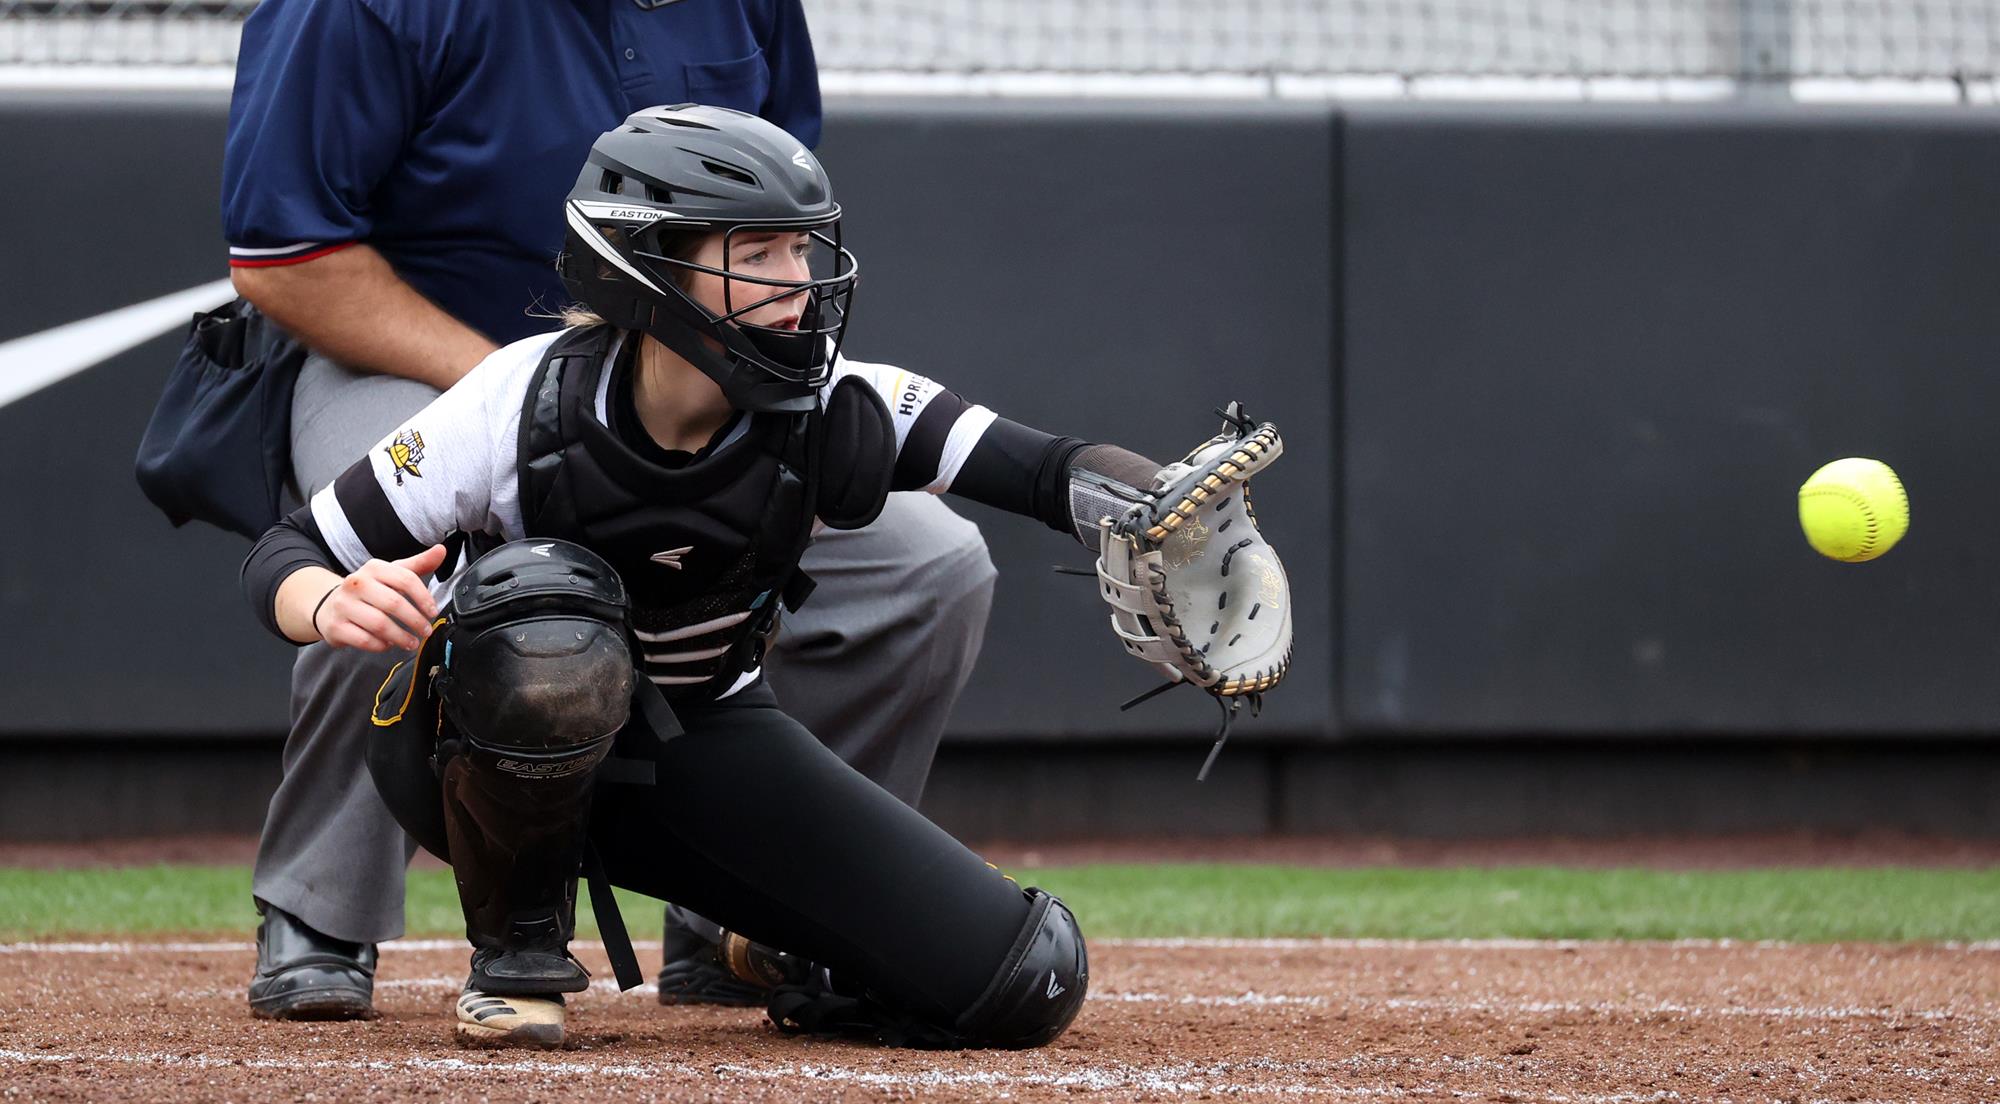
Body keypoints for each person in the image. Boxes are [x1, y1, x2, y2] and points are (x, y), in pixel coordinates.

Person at [240, 105, 1289, 1048]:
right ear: (642, 265)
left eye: (802, 246)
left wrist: (1154, 506)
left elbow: (1041, 467)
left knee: (1021, 980)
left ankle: (765, 947)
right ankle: (515, 955)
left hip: (704, 746)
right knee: (543, 621)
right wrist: (330, 601)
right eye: (756, 251)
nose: (796, 281)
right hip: (468, 756)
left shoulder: (841, 401)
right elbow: (287, 553)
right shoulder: (511, 403)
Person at [222, 0, 997, 1020]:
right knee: (393, 559)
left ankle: (767, 919)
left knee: (928, 568)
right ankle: (322, 912)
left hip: (682, 375)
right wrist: (538, 413)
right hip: (412, 365)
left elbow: (773, 211)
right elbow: (290, 256)